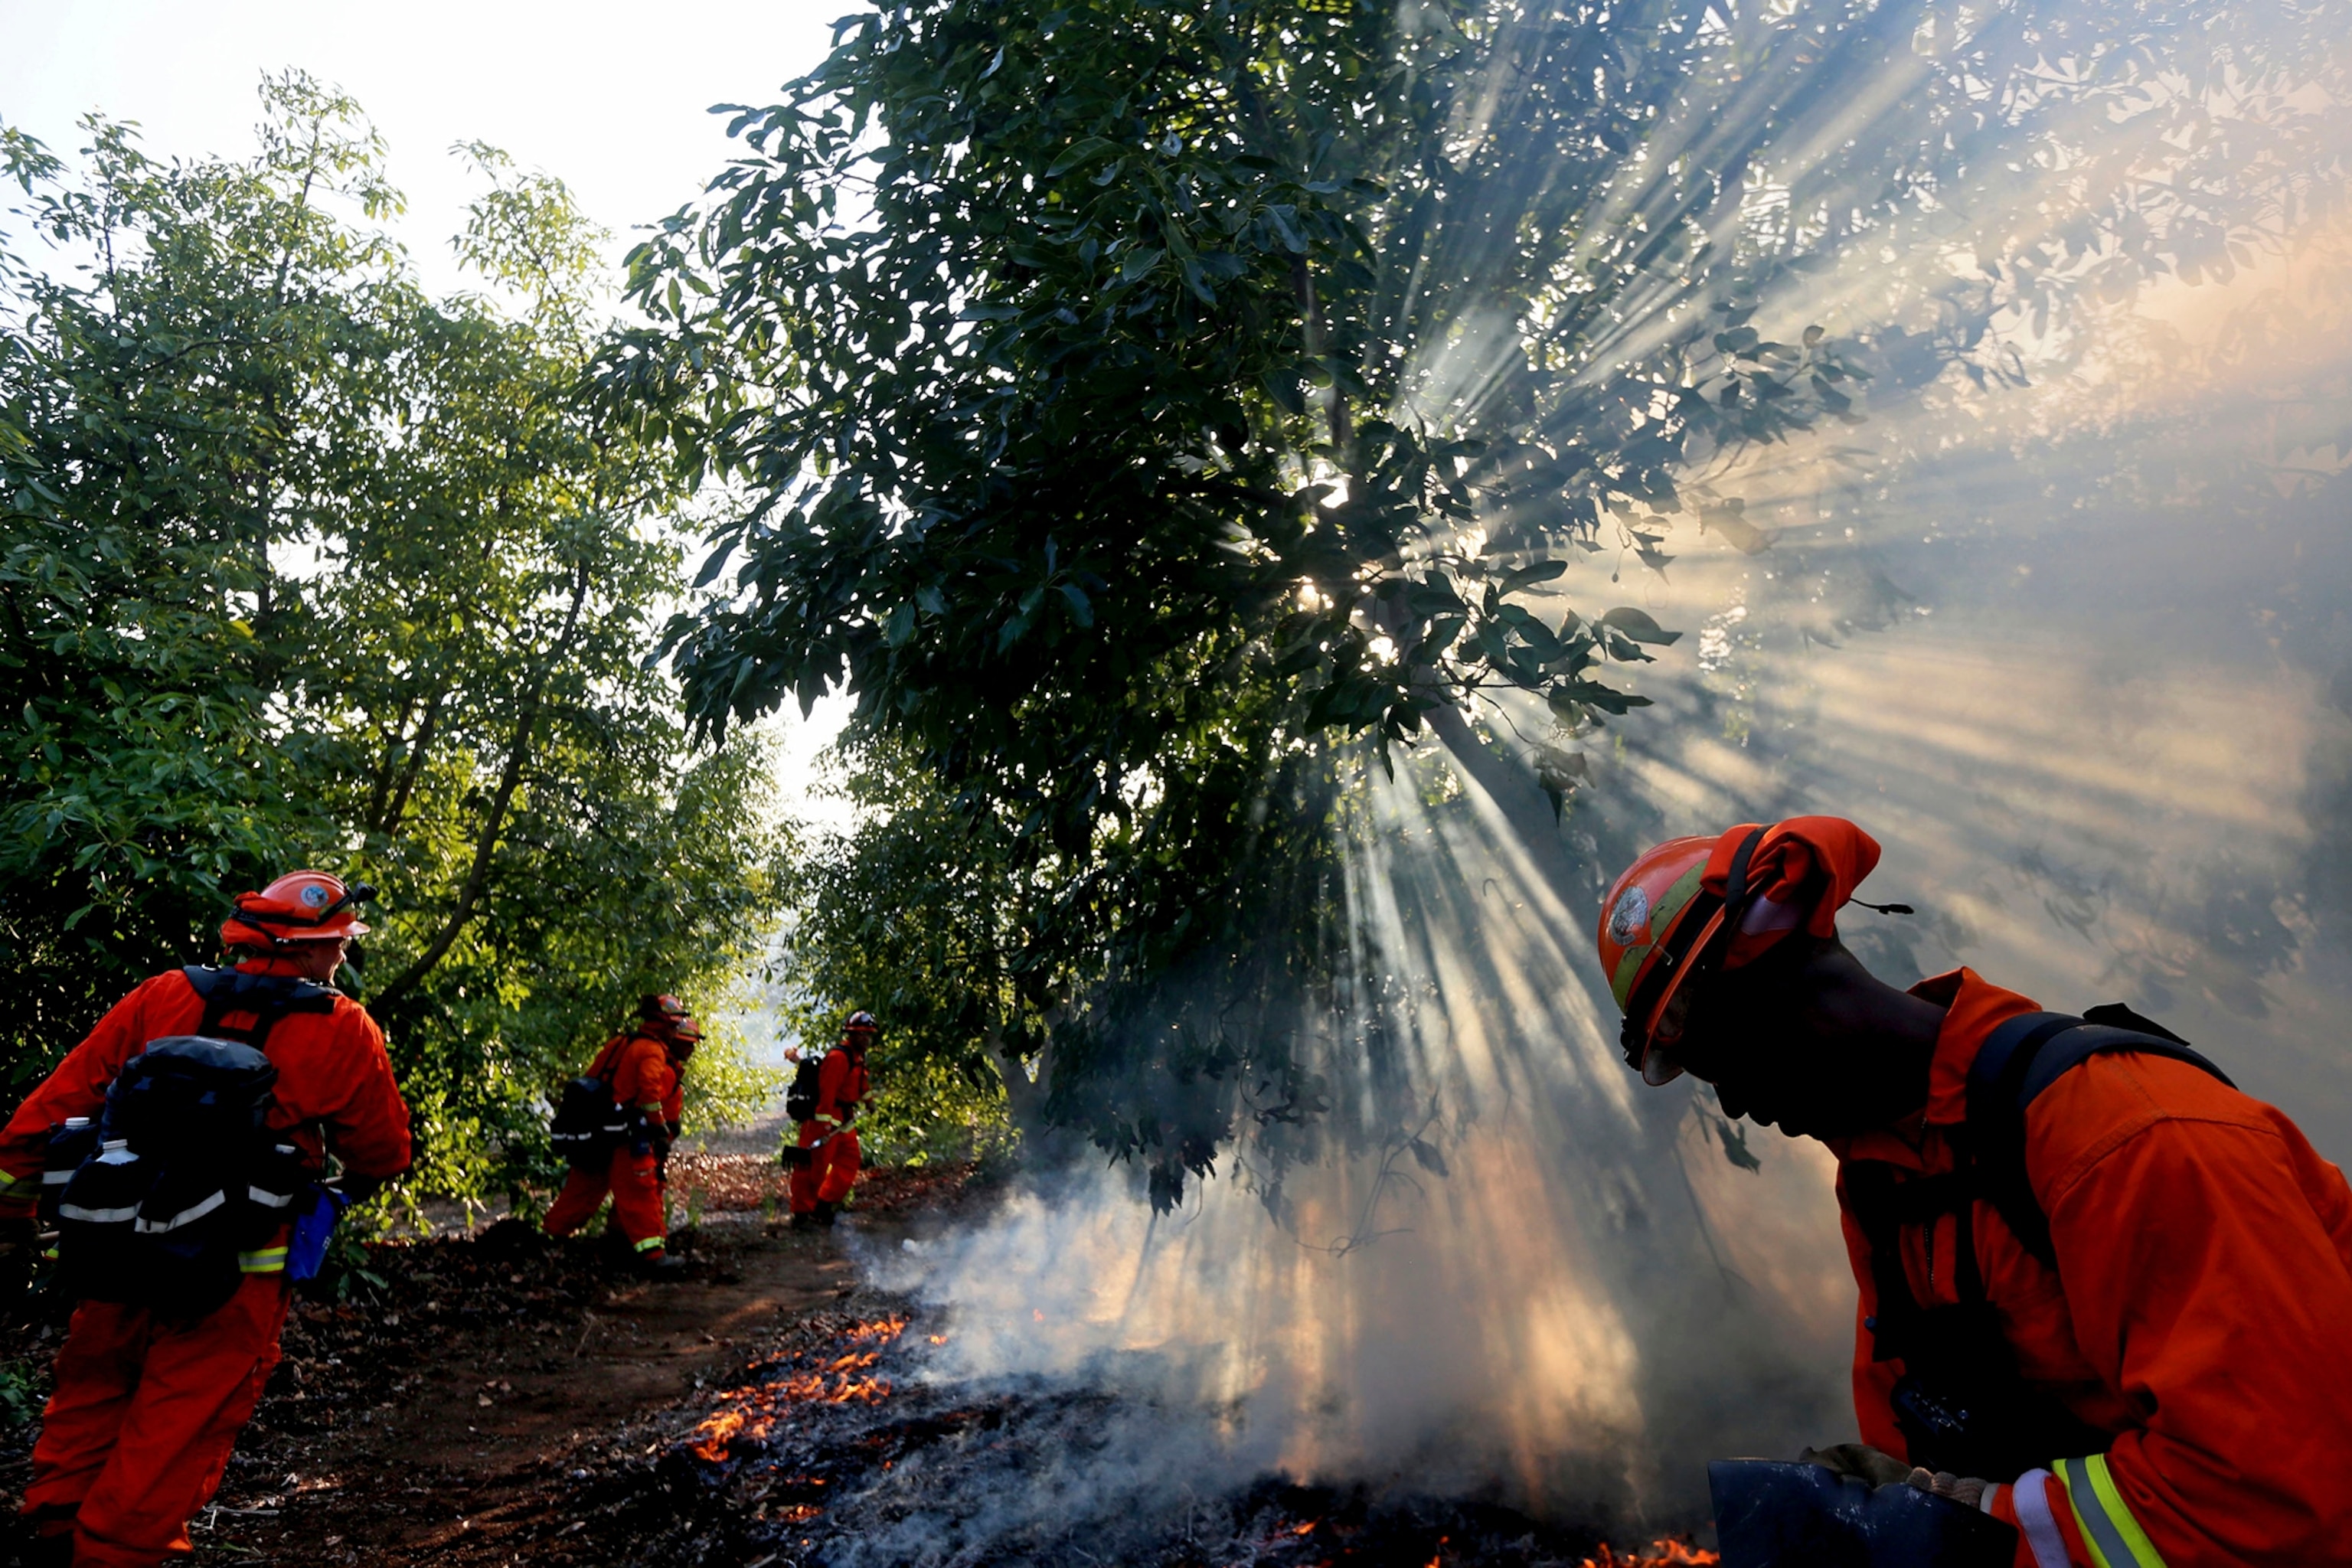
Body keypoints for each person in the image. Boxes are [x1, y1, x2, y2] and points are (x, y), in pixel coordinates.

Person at [1597, 817, 2352, 1567]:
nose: (1731, 1101)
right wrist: (1882, 1515)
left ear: (1793, 973)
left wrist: (1964, 1528)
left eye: (1720, 1054)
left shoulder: (2122, 1138)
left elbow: (2275, 1502)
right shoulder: (1889, 1190)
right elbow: (1913, 1450)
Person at [0, 871, 413, 1568]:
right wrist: (349, 1186)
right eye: (337, 944)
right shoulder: (342, 1029)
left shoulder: (164, 995)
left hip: (115, 1251)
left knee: (95, 1387)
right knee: (179, 1422)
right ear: (303, 949)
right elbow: (383, 1151)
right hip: (234, 1272)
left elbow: (43, 1115)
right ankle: (114, 1557)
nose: (342, 956)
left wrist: (12, 1208)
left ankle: (53, 1536)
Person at [540, 995, 700, 1273]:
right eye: (674, 1026)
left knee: (581, 1192)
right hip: (629, 1138)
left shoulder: (620, 1044)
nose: (677, 1031)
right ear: (662, 1025)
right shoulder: (652, 1051)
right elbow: (649, 1093)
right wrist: (658, 1127)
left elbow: (594, 1080)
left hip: (599, 1135)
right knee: (640, 1193)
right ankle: (653, 1256)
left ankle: (550, 1237)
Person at [786, 1011, 874, 1229]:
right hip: (824, 1120)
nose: (866, 1039)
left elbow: (861, 1084)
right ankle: (801, 1215)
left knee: (850, 1162)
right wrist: (824, 1125)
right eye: (861, 1034)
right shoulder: (838, 1058)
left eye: (868, 1035)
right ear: (851, 1035)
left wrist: (869, 1101)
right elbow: (827, 1091)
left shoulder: (858, 1058)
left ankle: (823, 1205)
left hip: (845, 1120)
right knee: (813, 1168)